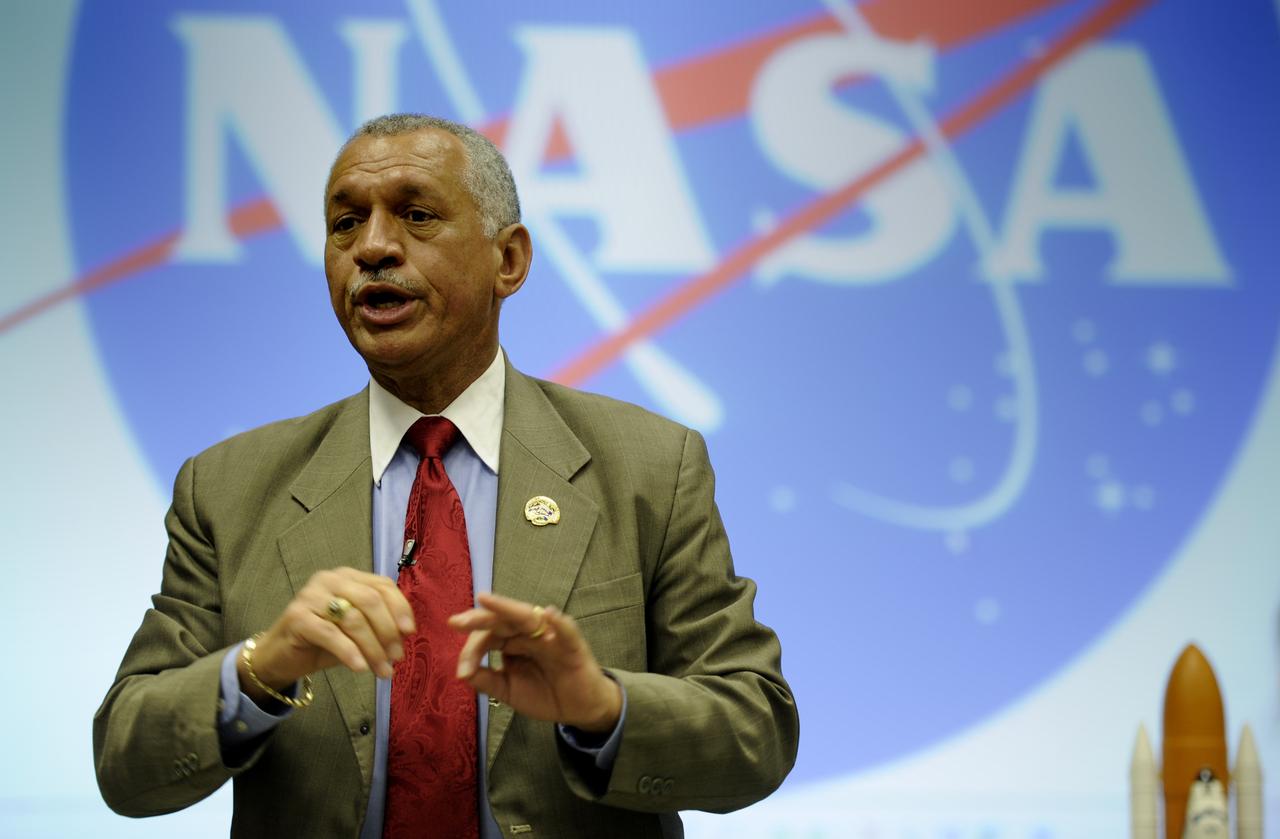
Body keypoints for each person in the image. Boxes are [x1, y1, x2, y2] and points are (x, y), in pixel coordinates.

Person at [93, 113, 798, 838]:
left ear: (510, 260)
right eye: (344, 223)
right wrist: (259, 669)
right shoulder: (229, 487)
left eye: (416, 214)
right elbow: (123, 759)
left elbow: (756, 729)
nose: (371, 247)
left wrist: (604, 707)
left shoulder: (649, 466)